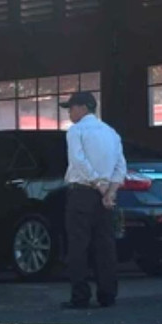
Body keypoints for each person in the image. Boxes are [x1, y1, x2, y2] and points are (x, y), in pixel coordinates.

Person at [59, 91, 127, 310]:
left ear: (82, 108)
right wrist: (110, 192)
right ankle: (107, 295)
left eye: (71, 108)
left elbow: (78, 161)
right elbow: (121, 166)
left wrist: (98, 183)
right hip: (106, 198)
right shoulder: (111, 132)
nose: (69, 113)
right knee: (105, 245)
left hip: (82, 193)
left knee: (78, 246)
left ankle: (80, 296)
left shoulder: (76, 131)